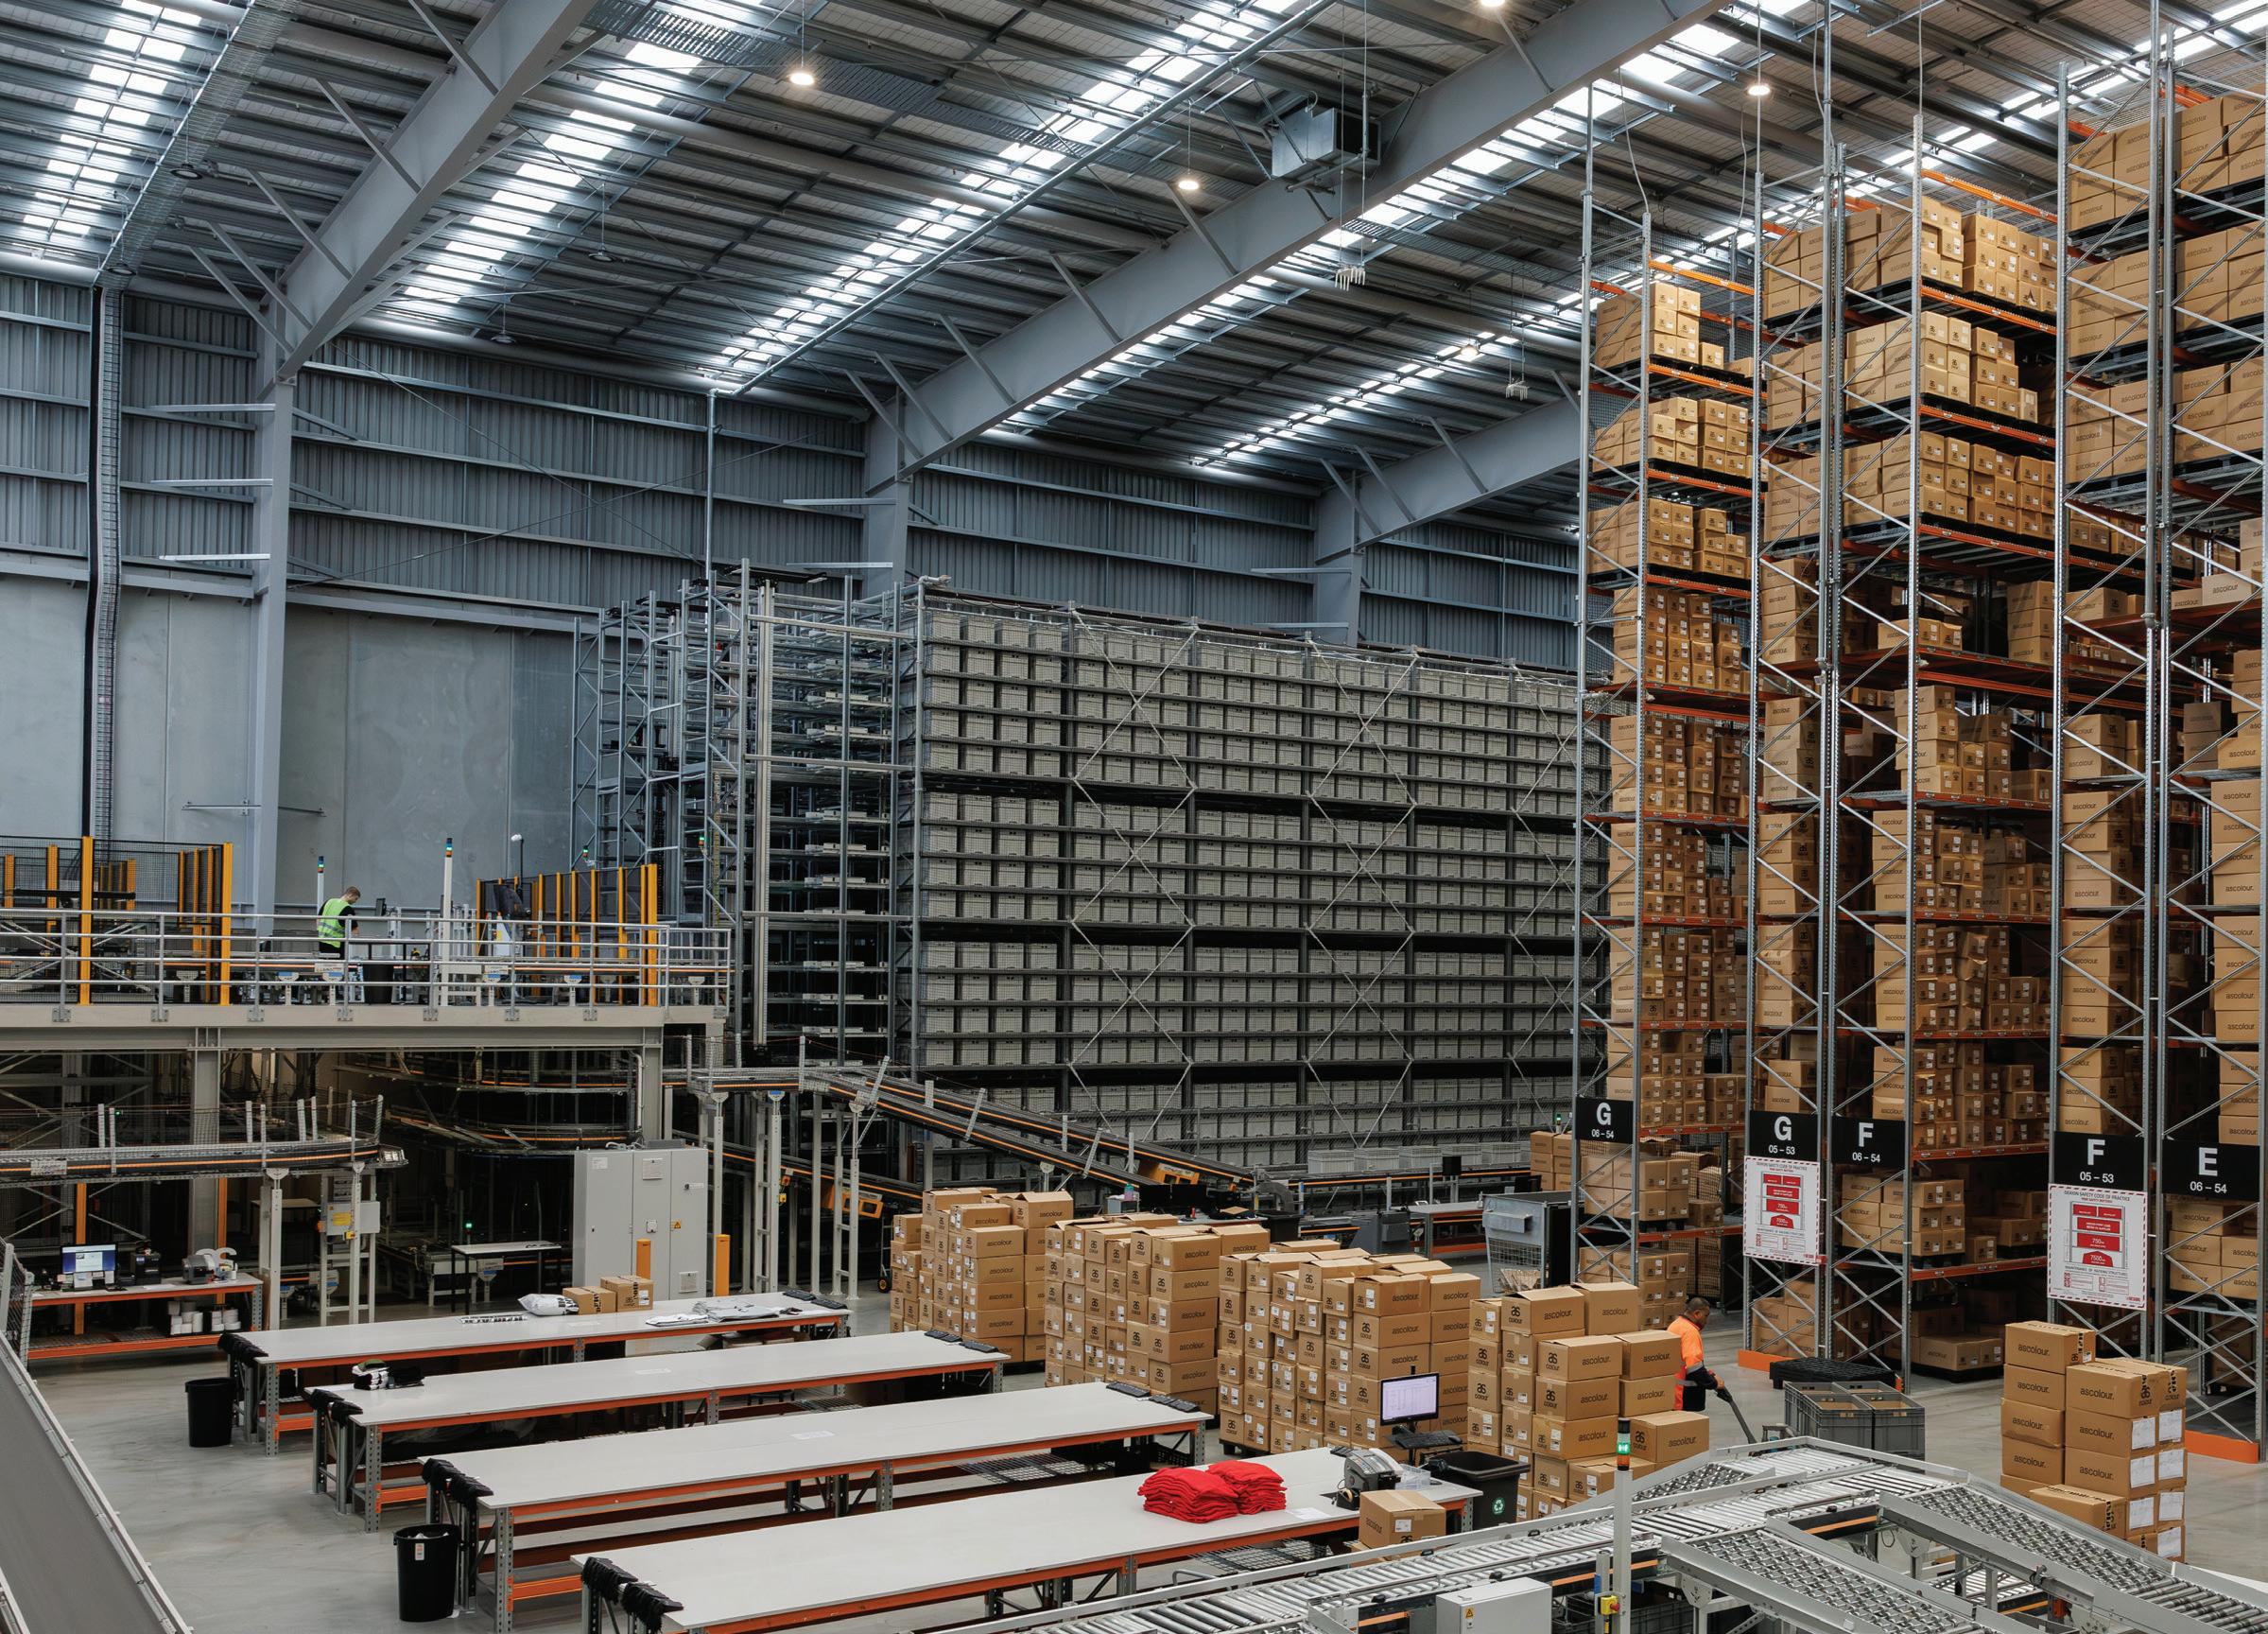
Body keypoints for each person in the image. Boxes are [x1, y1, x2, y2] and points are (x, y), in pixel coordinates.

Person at [1669, 1295, 1721, 1412]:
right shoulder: (1690, 1332)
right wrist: (1713, 1383)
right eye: (1706, 1316)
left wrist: (1709, 1374)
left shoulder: (1676, 1325)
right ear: (1697, 1313)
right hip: (1686, 1396)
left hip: (1673, 1392)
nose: (1706, 1321)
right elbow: (1694, 1369)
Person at [318, 886, 361, 1000]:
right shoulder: (347, 908)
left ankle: (325, 993)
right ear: (350, 895)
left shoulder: (329, 902)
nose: (355, 902)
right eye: (355, 899)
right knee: (335, 969)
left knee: (325, 968)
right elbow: (355, 930)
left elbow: (318, 919)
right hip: (335, 943)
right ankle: (333, 993)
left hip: (322, 940)